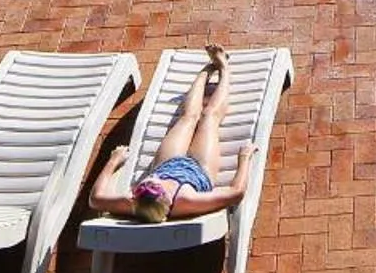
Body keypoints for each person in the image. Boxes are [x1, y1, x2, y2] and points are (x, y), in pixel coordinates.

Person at [88, 45, 253, 223]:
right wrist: (244, 159)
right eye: (159, 189)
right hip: (199, 169)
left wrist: (114, 160)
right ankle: (224, 68)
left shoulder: (136, 201)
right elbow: (236, 193)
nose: (154, 184)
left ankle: (205, 72)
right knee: (209, 117)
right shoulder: (186, 201)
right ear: (167, 202)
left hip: (166, 165)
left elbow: (96, 199)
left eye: (147, 185)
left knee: (187, 118)